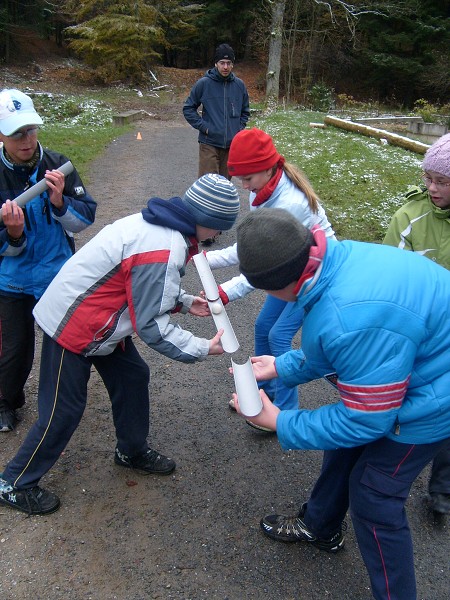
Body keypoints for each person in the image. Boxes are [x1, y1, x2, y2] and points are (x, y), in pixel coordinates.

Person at [231, 208, 450, 600]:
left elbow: (366, 419)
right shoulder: (335, 258)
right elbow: (345, 348)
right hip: (421, 364)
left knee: (374, 496)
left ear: (279, 284)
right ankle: (320, 525)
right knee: (344, 447)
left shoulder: (346, 313)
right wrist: (282, 366)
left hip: (435, 399)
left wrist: (281, 421)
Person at [0, 173, 240, 516]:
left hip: (105, 321)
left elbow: (145, 287)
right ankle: (14, 482)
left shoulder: (166, 227)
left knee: (132, 376)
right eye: (219, 228)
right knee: (62, 410)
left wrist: (185, 302)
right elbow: (151, 326)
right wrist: (204, 348)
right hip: (76, 324)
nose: (218, 235)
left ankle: (131, 449)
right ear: (207, 220)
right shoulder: (164, 245)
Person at [206, 128, 335, 426]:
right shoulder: (264, 191)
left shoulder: (289, 203)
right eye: (240, 179)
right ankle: (262, 392)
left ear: (268, 168)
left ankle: (283, 412)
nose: (243, 186)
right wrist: (203, 258)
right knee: (264, 324)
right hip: (292, 268)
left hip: (316, 275)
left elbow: (266, 268)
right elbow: (252, 249)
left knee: (279, 335)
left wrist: (226, 291)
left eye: (247, 179)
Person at [0, 88, 97, 433]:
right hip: (12, 279)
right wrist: (13, 235)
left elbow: (86, 220)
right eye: (16, 133)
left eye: (30, 130)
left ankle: (57, 407)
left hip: (58, 274)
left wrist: (60, 205)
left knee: (65, 341)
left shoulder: (58, 164)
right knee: (14, 348)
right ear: (1, 135)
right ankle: (6, 401)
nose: (26, 140)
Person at [383, 132, 450, 516]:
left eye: (442, 181)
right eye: (429, 178)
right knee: (413, 400)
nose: (432, 187)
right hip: (419, 334)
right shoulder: (409, 217)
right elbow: (393, 282)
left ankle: (442, 489)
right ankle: (392, 470)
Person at [183, 43, 250, 246]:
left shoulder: (239, 86)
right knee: (207, 184)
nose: (226, 66)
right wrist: (205, 128)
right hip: (209, 143)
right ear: (215, 63)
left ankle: (215, 225)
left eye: (229, 63)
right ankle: (201, 228)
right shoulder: (204, 84)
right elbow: (188, 109)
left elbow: (245, 111)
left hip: (231, 146)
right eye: (222, 62)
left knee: (224, 186)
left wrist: (238, 129)